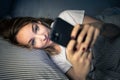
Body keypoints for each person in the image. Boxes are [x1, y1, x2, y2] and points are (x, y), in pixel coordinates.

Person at [0, 10, 120, 80]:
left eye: (36, 29)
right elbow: (78, 77)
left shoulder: (66, 17)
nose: (42, 37)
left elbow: (115, 31)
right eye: (33, 41)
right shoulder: (55, 59)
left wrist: (99, 26)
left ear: (39, 22)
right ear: (31, 48)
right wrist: (80, 72)